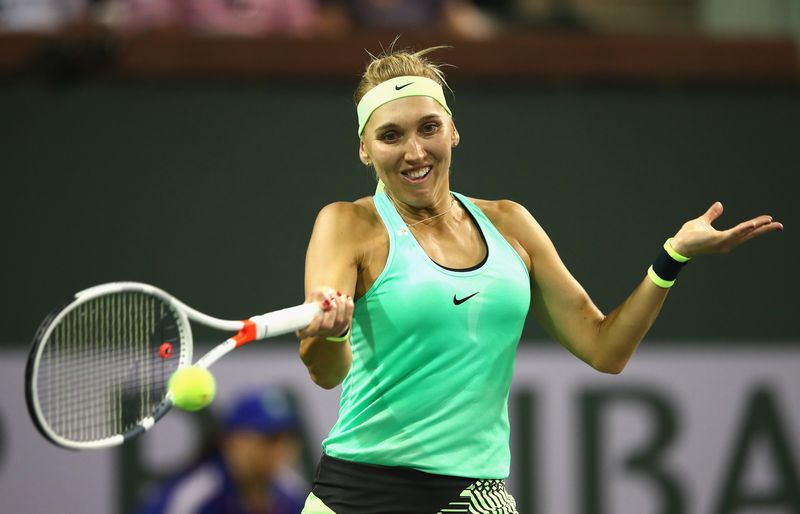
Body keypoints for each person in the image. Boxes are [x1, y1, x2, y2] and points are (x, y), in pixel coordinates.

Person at [294, 46, 783, 514]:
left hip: (471, 493)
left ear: (454, 131)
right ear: (364, 149)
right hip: (353, 493)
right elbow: (325, 371)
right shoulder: (347, 224)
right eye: (391, 136)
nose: (415, 151)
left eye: (429, 128)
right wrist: (332, 331)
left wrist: (672, 257)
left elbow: (605, 349)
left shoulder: (511, 224)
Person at [134, 387, 307, 514]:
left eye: (287, 437)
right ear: (231, 443)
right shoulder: (193, 495)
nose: (281, 448)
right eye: (269, 438)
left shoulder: (292, 491)